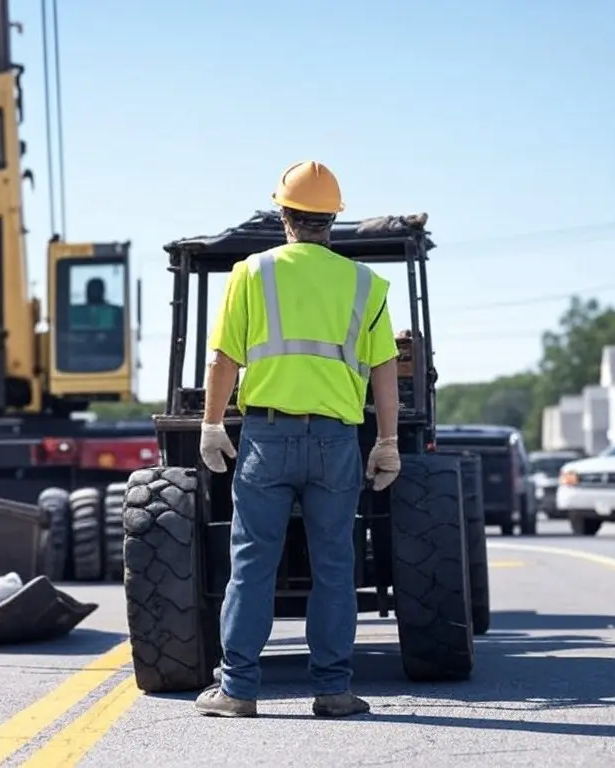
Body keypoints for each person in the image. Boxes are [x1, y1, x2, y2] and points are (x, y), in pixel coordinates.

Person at [194, 160, 403, 718]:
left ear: (283, 216)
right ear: (332, 221)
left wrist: (213, 424)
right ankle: (333, 689)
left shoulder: (251, 273)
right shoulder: (367, 284)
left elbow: (223, 359)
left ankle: (238, 690)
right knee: (335, 566)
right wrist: (387, 441)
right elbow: (385, 370)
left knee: (252, 564)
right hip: (337, 443)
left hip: (265, 438)